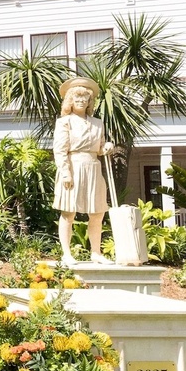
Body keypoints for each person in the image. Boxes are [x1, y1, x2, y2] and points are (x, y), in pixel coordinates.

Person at [53, 77, 114, 265]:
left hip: (93, 167)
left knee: (97, 213)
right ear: (70, 100)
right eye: (77, 97)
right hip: (73, 166)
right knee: (68, 212)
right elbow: (60, 149)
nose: (81, 101)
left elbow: (101, 146)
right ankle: (66, 253)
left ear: (90, 101)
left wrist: (107, 146)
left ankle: (96, 252)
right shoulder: (65, 122)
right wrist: (65, 172)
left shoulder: (98, 123)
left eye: (84, 98)